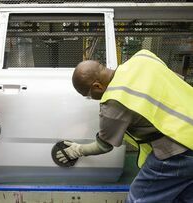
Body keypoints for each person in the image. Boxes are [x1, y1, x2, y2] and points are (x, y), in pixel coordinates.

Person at [56, 49, 193, 203]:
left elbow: (104, 146)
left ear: (97, 86)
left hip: (178, 151)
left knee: (139, 199)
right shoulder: (142, 57)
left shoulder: (114, 101)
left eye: (88, 95)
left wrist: (77, 150)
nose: (91, 99)